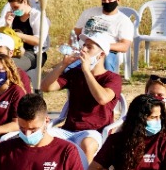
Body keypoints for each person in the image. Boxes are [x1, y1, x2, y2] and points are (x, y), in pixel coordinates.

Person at [40, 33, 121, 161]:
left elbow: (102, 98)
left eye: (89, 47)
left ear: (101, 55)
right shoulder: (75, 73)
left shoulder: (112, 78)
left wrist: (87, 71)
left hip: (94, 132)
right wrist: (63, 65)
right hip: (68, 130)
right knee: (40, 137)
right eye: (83, 46)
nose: (83, 49)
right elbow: (46, 87)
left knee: (88, 145)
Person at [73, 0, 135, 75]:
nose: (106, 1)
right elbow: (75, 33)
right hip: (84, 49)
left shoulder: (124, 21)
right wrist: (72, 48)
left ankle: (108, 86)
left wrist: (100, 45)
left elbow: (124, 46)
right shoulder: (89, 13)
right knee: (68, 67)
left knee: (107, 62)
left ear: (118, 0)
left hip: (107, 52)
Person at [0, 0, 46, 69]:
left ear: (25, 2)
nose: (13, 10)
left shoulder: (36, 16)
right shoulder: (14, 16)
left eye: (16, 7)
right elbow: (6, 38)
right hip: (16, 51)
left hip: (34, 54)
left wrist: (17, 35)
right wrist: (8, 25)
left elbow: (39, 41)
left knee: (8, 66)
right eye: (12, 8)